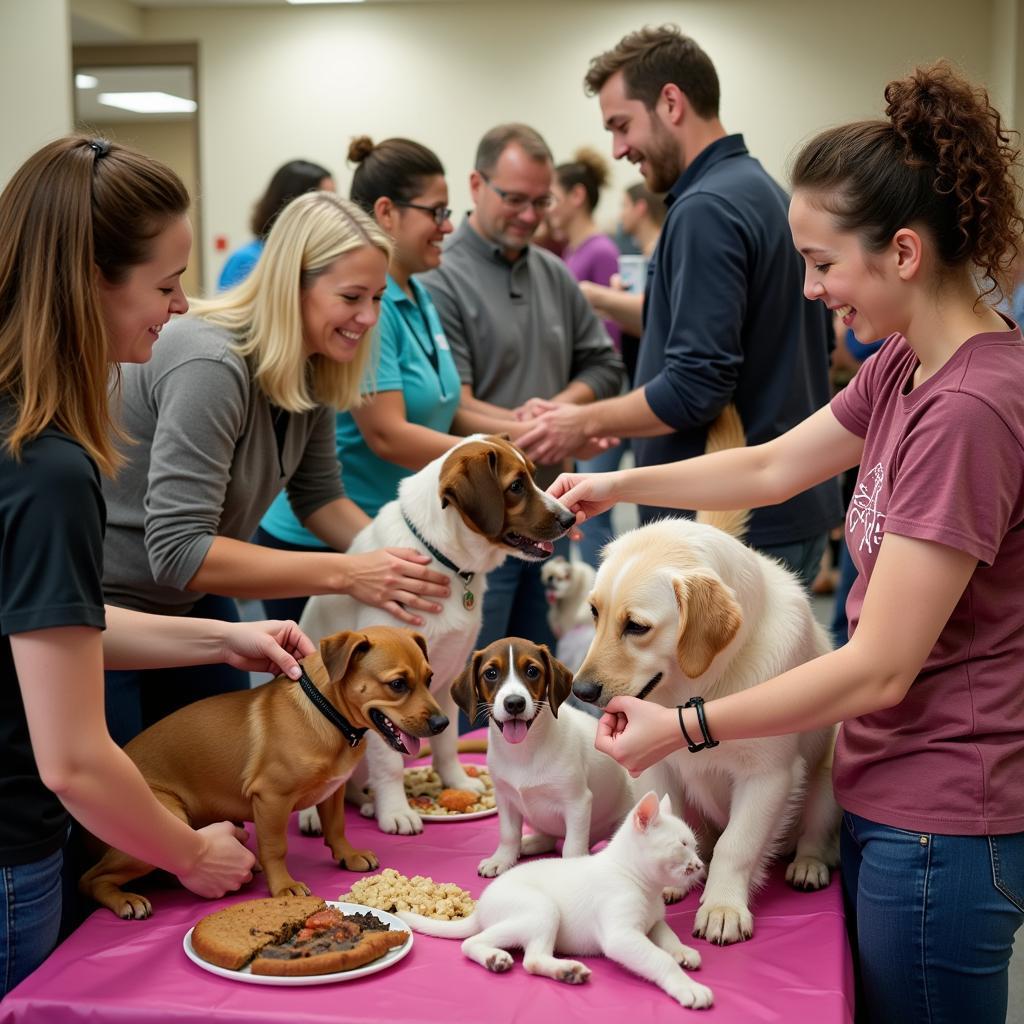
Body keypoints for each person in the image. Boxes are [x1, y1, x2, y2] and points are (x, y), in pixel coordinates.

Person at [551, 62, 1024, 1023]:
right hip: (888, 788)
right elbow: (770, 469)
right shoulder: (903, 368)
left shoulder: (971, 408)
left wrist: (683, 730)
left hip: (944, 819)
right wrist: (616, 478)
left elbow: (882, 668)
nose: (810, 291)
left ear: (900, 253)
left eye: (821, 263)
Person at [0, 135, 319, 995]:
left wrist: (219, 640)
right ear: (87, 283)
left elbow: (56, 630)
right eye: (166, 285)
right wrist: (187, 851)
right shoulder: (48, 468)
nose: (180, 308)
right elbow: (71, 756)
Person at [101, 190, 449, 745]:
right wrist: (350, 572)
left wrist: (407, 561)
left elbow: (319, 498)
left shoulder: (311, 372)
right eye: (352, 297)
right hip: (107, 610)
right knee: (120, 814)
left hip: (186, 605)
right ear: (294, 289)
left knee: (217, 796)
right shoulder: (211, 362)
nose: (368, 318)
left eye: (379, 298)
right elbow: (178, 551)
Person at [519, 26, 843, 589]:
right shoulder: (756, 189)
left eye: (622, 125)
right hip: (779, 509)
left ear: (671, 102)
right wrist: (597, 299)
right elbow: (695, 325)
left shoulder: (705, 209)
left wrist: (583, 421)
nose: (618, 149)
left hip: (732, 523)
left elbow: (697, 384)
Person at [258, 137, 530, 624]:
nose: (449, 225)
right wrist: (489, 464)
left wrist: (523, 433)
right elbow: (387, 433)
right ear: (387, 212)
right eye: (437, 212)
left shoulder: (416, 296)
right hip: (330, 537)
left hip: (387, 532)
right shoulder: (368, 317)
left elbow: (448, 402)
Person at [419, 123, 625, 649]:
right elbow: (456, 410)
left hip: (549, 515)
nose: (531, 216)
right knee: (472, 692)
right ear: (476, 185)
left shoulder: (553, 274)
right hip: (481, 531)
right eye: (515, 199)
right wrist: (551, 428)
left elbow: (604, 367)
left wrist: (561, 412)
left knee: (537, 692)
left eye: (541, 201)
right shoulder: (438, 280)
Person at [217, 159, 334, 290]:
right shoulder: (247, 260)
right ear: (293, 206)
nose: (334, 211)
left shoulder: (320, 259)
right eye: (323, 203)